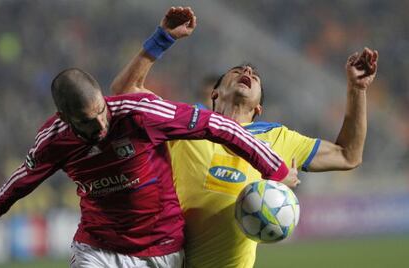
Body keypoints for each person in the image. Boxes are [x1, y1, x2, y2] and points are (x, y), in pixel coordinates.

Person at [111, 6, 379, 268]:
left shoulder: (278, 138)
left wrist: (357, 90)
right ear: (214, 95)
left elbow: (348, 155)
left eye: (254, 76)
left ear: (258, 108)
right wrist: (162, 37)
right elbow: (124, 93)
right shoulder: (186, 122)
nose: (247, 73)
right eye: (238, 70)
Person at [0, 65, 299, 268]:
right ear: (64, 118)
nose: (102, 124)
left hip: (162, 251)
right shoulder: (53, 141)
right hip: (99, 249)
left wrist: (277, 169)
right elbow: (17, 185)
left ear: (104, 99)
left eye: (102, 110)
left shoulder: (139, 113)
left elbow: (219, 126)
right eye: (88, 121)